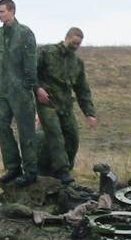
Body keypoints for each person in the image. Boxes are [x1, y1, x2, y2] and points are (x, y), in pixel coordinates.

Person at [35, 27, 98, 184]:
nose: (75, 46)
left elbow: (82, 89)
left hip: (66, 106)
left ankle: (63, 170)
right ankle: (62, 171)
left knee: (72, 138)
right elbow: (29, 72)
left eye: (79, 44)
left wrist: (89, 113)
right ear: (67, 37)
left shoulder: (77, 63)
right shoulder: (46, 52)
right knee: (55, 135)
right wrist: (37, 89)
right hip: (47, 103)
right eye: (74, 42)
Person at [0, 0, 38, 187]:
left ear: (12, 11)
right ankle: (13, 167)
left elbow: (31, 61)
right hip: (1, 89)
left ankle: (30, 171)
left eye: (2, 11)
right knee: (3, 129)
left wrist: (28, 84)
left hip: (20, 90)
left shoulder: (25, 33)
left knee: (26, 130)